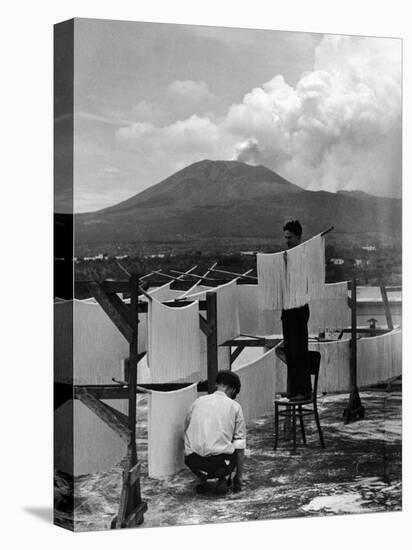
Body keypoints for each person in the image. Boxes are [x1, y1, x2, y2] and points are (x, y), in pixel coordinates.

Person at [184, 370, 246, 496]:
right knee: (237, 446)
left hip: (193, 461)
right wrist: (239, 479)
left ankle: (201, 477)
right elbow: (239, 446)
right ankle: (223, 479)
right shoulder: (235, 406)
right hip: (220, 464)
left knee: (198, 442)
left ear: (216, 385)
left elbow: (186, 429)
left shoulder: (198, 401)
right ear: (233, 390)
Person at [281, 220, 312, 401]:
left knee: (299, 350)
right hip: (288, 307)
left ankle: (304, 390)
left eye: (290, 237)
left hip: (299, 306)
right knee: (290, 350)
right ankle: (294, 389)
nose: (287, 240)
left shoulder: (304, 255)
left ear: (299, 237)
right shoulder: (288, 255)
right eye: (285, 237)